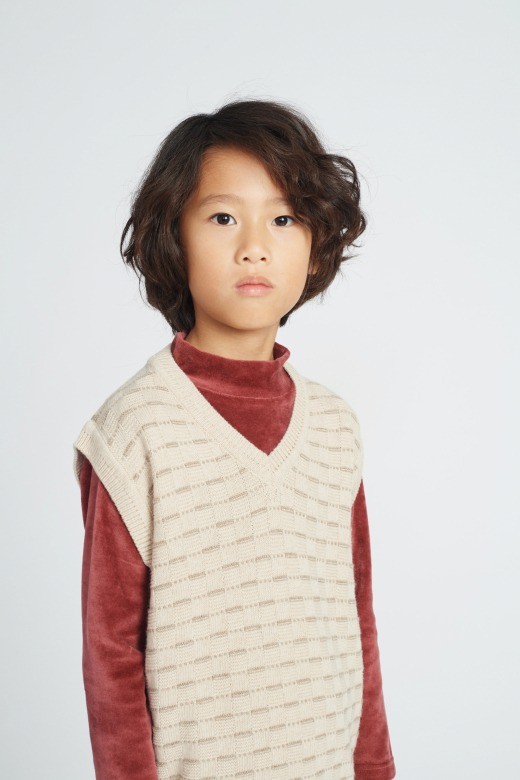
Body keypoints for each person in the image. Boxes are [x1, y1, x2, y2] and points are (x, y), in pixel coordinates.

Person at [73, 98, 396, 780]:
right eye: (223, 218)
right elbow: (112, 654)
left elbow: (357, 621)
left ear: (315, 246)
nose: (255, 245)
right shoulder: (136, 429)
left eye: (284, 218)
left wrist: (376, 768)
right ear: (174, 238)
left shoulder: (334, 427)